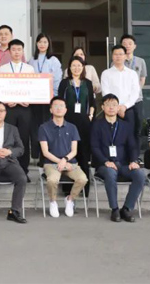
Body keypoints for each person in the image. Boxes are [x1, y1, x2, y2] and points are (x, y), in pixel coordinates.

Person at [90, 94, 145, 222]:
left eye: (114, 105)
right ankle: (114, 209)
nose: (111, 108)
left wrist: (133, 161)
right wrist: (105, 161)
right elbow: (94, 147)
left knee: (140, 175)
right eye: (108, 105)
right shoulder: (96, 125)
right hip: (104, 165)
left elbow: (132, 146)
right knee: (110, 172)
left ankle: (126, 209)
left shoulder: (126, 126)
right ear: (103, 107)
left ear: (118, 107)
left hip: (123, 164)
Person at [38, 96, 88, 218]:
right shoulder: (43, 127)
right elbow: (45, 152)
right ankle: (53, 202)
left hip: (70, 163)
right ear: (51, 110)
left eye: (61, 106)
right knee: (52, 180)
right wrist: (60, 162)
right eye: (55, 106)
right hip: (51, 163)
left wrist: (64, 160)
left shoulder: (72, 127)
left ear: (66, 110)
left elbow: (74, 151)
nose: (59, 108)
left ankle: (70, 200)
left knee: (83, 179)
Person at [57, 55, 96, 194]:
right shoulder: (64, 83)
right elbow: (59, 102)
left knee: (83, 153)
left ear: (83, 67)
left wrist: (90, 115)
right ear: (69, 67)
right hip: (68, 122)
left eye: (79, 65)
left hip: (84, 122)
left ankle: (84, 188)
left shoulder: (88, 83)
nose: (76, 68)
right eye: (73, 65)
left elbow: (92, 102)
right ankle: (68, 188)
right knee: (68, 153)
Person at [0, 39, 35, 176]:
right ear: (9, 51)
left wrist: (29, 100)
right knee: (8, 138)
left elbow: (33, 88)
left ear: (23, 51)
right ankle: (7, 170)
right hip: (9, 108)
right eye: (13, 49)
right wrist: (6, 101)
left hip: (25, 108)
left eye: (19, 49)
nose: (16, 52)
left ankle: (23, 170)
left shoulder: (29, 69)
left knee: (24, 138)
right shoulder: (3, 69)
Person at [29, 33, 63, 161]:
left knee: (47, 126)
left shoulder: (53, 60)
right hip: (34, 99)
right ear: (36, 44)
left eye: (45, 42)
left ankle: (46, 157)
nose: (42, 44)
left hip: (48, 98)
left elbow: (57, 79)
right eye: (40, 42)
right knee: (35, 126)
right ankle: (36, 154)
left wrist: (53, 96)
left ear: (49, 44)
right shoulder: (31, 60)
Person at [101, 45, 140, 146]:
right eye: (115, 54)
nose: (118, 56)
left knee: (130, 137)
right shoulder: (106, 73)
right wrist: (116, 107)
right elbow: (106, 92)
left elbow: (135, 92)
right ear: (112, 56)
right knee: (111, 137)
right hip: (111, 110)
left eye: (121, 54)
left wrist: (125, 106)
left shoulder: (132, 74)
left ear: (125, 56)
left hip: (128, 109)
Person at [121, 34, 148, 146]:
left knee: (138, 125)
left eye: (130, 43)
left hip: (137, 99)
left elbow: (142, 79)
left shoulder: (141, 61)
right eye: (124, 44)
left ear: (135, 46)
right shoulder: (116, 62)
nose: (127, 46)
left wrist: (135, 93)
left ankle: (136, 152)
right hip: (122, 101)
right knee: (124, 126)